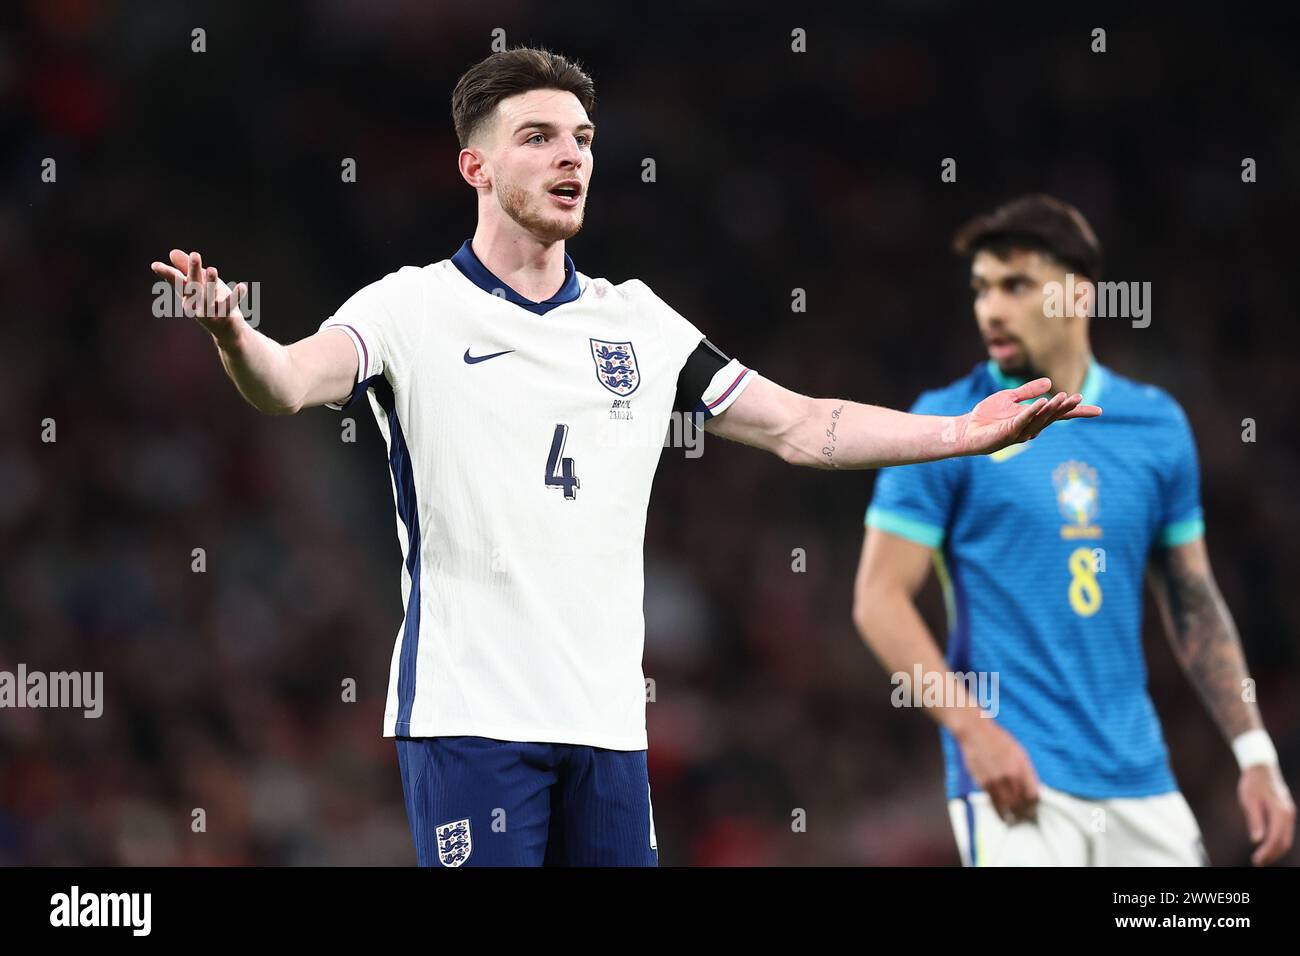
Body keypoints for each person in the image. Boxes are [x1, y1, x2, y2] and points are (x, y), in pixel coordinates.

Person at [152, 52, 1096, 867]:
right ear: (474, 165)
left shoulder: (636, 322)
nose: (572, 155)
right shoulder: (410, 308)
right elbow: (286, 381)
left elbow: (803, 426)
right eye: (539, 136)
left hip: (606, 729)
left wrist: (963, 434)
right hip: (471, 718)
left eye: (584, 137)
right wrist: (235, 332)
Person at [852, 194, 1294, 866]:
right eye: (981, 289)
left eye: (1017, 285)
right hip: (1021, 782)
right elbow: (878, 599)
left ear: (1080, 295)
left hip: (1141, 780)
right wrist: (975, 733)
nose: (991, 308)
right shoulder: (948, 426)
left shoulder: (1157, 425)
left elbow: (1193, 600)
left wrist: (1254, 751)